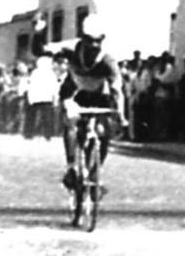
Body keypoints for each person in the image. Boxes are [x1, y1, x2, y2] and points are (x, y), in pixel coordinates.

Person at [32, 13, 128, 191]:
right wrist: (39, 32)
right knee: (71, 122)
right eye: (89, 41)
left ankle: (94, 173)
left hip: (99, 97)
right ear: (82, 38)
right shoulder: (70, 49)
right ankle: (71, 168)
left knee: (103, 131)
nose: (93, 46)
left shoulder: (108, 61)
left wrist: (121, 115)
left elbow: (117, 90)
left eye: (98, 41)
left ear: (103, 40)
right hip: (73, 93)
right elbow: (40, 51)